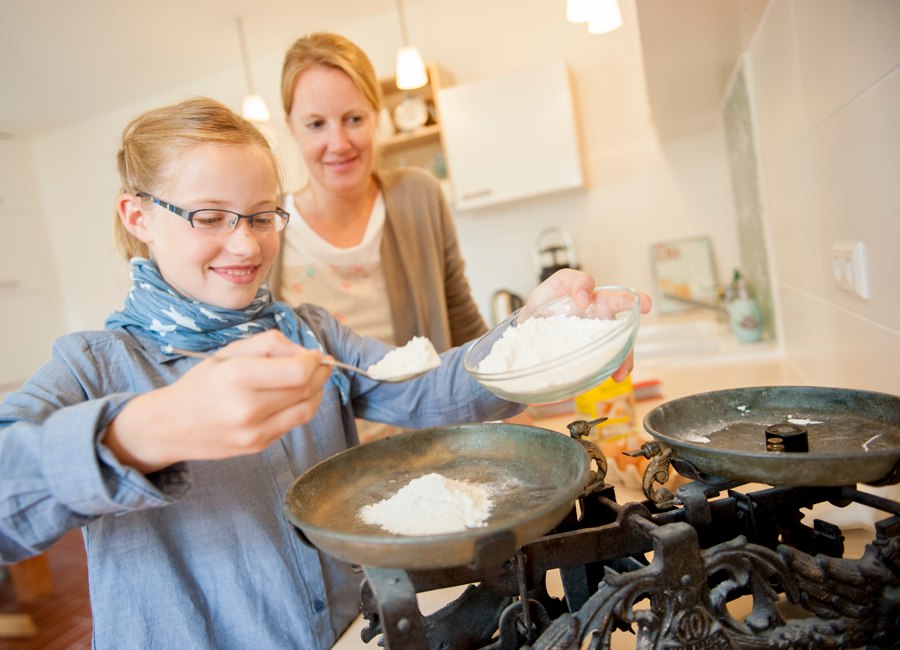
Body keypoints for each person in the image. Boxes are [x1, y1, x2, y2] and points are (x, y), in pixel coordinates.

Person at [0, 97, 649, 649]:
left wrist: (535, 333)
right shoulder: (94, 366)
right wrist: (145, 432)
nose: (246, 243)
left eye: (260, 215)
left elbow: (425, 390)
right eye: (209, 215)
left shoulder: (308, 331)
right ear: (138, 217)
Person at [272, 32, 485, 350]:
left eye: (354, 119)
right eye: (316, 124)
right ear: (291, 127)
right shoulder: (265, 224)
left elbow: (465, 326)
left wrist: (517, 389)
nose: (339, 144)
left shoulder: (418, 196)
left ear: (376, 115)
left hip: (425, 400)